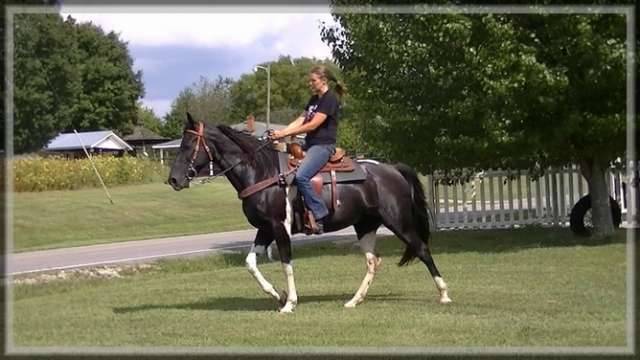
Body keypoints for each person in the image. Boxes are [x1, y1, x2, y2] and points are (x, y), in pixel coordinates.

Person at [269, 65, 346, 234]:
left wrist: (285, 132)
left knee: (302, 176)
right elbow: (301, 119)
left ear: (323, 81)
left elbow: (313, 124)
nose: (310, 84)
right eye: (309, 81)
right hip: (309, 144)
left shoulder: (330, 99)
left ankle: (320, 215)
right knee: (275, 155)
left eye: (313, 80)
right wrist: (280, 133)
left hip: (323, 146)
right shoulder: (314, 100)